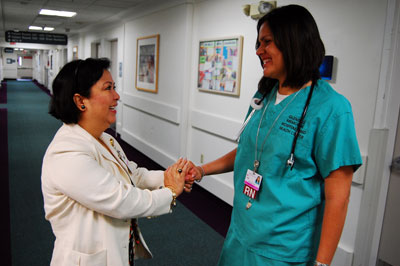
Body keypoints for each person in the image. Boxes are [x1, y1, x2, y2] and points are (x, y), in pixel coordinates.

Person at [187, 5, 362, 266]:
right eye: (259, 43)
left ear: (294, 42)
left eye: (266, 42)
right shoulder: (263, 96)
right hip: (241, 233)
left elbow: (339, 197)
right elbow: (249, 151)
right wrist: (201, 170)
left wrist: (322, 264)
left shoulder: (332, 109)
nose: (258, 51)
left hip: (284, 250)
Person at [41, 58, 192, 266]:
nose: (117, 95)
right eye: (108, 88)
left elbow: (133, 175)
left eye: (115, 87)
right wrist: (170, 192)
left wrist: (170, 176)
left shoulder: (105, 138)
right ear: (80, 101)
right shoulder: (66, 153)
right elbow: (122, 201)